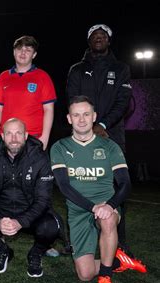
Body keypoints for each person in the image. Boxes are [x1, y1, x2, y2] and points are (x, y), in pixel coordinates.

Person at [50, 95, 146, 283]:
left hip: (106, 206)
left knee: (108, 219)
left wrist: (109, 205)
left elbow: (125, 184)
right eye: (76, 115)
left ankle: (105, 278)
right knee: (84, 275)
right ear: (69, 118)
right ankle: (118, 260)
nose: (81, 119)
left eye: (86, 114)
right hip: (78, 210)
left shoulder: (109, 147)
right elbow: (64, 187)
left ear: (94, 116)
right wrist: (93, 207)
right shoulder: (60, 147)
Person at [66, 24, 133, 256]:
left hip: (111, 134)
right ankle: (80, 241)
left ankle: (119, 245)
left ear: (109, 41)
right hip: (81, 135)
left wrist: (102, 125)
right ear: (88, 40)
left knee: (117, 190)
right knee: (79, 186)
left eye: (103, 36)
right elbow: (73, 100)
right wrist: (86, 124)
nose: (99, 38)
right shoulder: (76, 69)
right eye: (94, 35)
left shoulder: (121, 68)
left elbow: (123, 101)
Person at [0, 118, 60, 277]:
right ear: (2, 136)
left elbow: (43, 199)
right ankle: (1, 250)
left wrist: (20, 222)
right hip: (1, 211)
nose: (14, 138)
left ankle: (36, 253)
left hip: (30, 210)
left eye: (18, 133)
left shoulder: (39, 157)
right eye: (9, 134)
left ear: (26, 135)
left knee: (50, 227)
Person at [0, 35, 56, 150]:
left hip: (33, 138)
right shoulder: (3, 76)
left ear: (34, 55)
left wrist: (45, 137)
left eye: (28, 50)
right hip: (7, 138)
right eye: (20, 49)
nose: (23, 53)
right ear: (14, 52)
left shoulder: (43, 76)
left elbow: (48, 109)